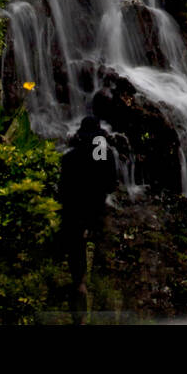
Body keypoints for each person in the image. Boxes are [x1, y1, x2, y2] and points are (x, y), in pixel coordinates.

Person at [58, 116, 118, 320]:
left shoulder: (69, 158)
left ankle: (79, 284)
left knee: (76, 247)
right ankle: (99, 287)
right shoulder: (105, 156)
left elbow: (63, 190)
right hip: (97, 208)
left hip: (74, 209)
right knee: (100, 244)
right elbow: (111, 185)